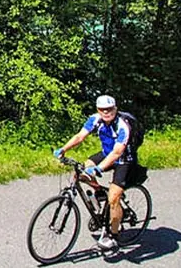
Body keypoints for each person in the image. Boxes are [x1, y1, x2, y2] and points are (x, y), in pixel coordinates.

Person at [54, 95, 136, 250]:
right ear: (98, 110)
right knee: (80, 174)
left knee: (113, 198)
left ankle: (113, 236)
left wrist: (100, 168)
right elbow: (80, 136)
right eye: (102, 109)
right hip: (106, 153)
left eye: (109, 109)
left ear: (115, 109)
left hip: (124, 159)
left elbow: (118, 152)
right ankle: (99, 191)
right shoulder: (95, 119)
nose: (106, 112)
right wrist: (63, 149)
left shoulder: (122, 125)